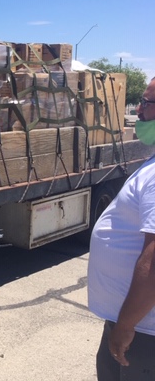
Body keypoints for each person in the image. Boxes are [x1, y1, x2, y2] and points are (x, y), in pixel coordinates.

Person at [88, 76, 155, 381]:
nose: (138, 110)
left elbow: (153, 262)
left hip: (142, 331)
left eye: (147, 103)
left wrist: (126, 325)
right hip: (128, 322)